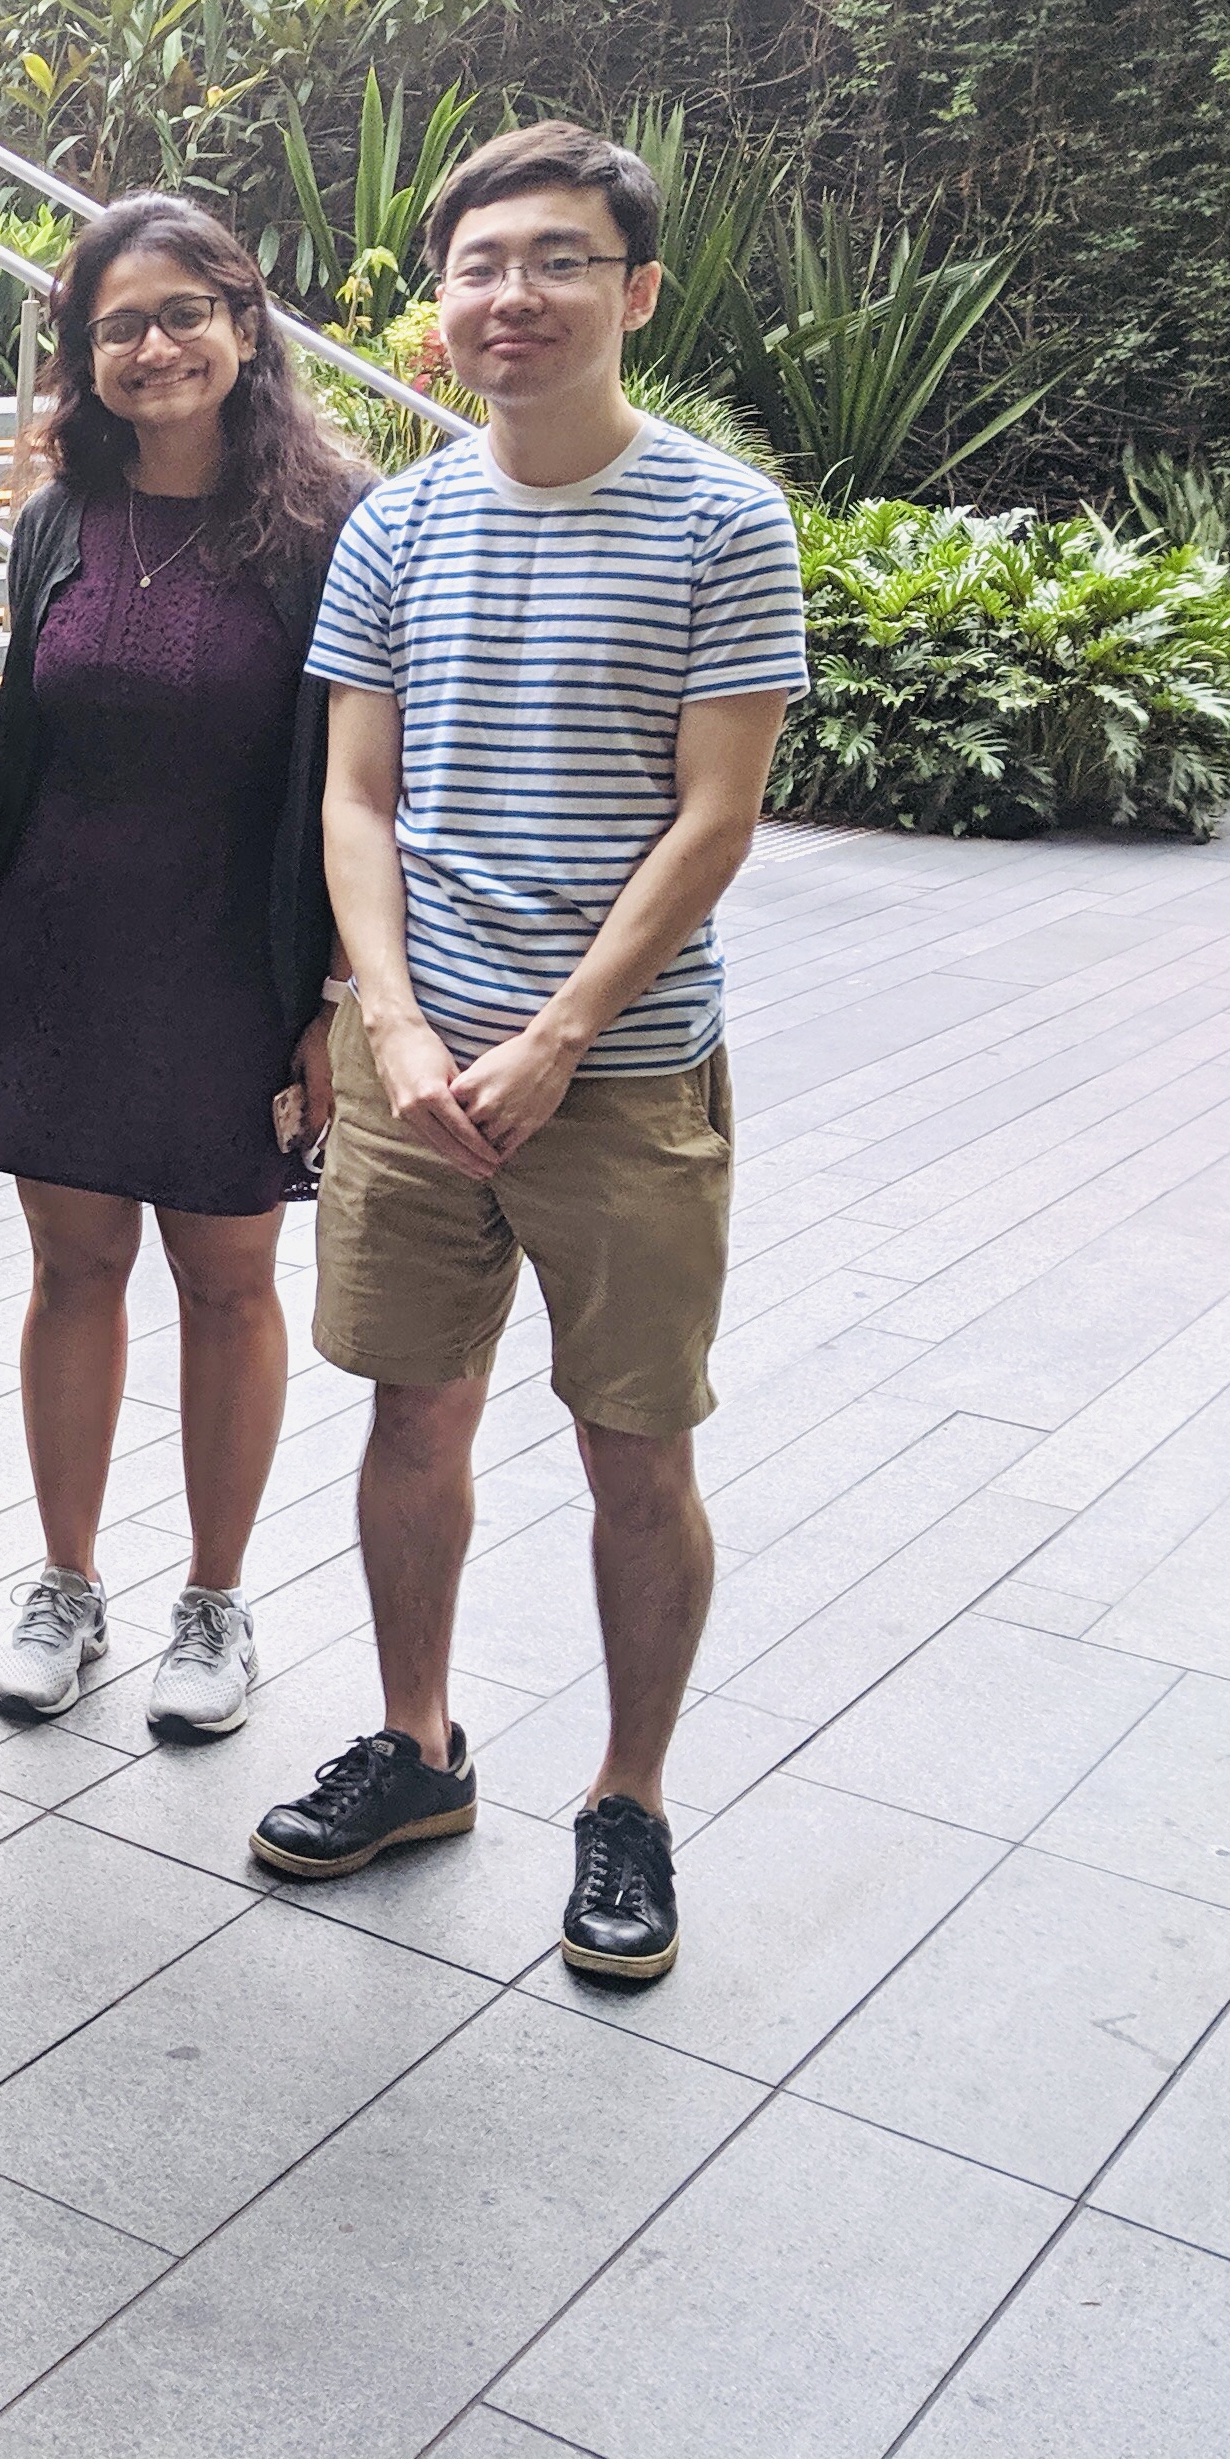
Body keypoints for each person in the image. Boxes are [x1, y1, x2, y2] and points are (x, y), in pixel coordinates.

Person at [249, 121, 807, 1990]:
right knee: (409, 1411)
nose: (513, 294)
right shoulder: (398, 523)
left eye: (558, 260)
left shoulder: (724, 518)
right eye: (481, 263)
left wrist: (562, 1031)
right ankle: (417, 1745)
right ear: (441, 297)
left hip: (625, 1072)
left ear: (633, 291)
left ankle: (628, 1796)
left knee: (630, 1443)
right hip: (414, 1071)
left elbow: (715, 817)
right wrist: (391, 1020)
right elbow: (351, 793)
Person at [0, 198, 370, 1742]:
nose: (154, 345)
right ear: (84, 358)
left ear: (248, 328)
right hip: (65, 949)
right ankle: (65, 1584)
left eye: (186, 311)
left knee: (228, 1279)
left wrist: (326, 1003)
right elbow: (27, 761)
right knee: (70, 1272)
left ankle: (215, 1599)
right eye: (118, 324)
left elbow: (355, 787)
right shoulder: (64, 516)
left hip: (233, 963)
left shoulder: (334, 525)